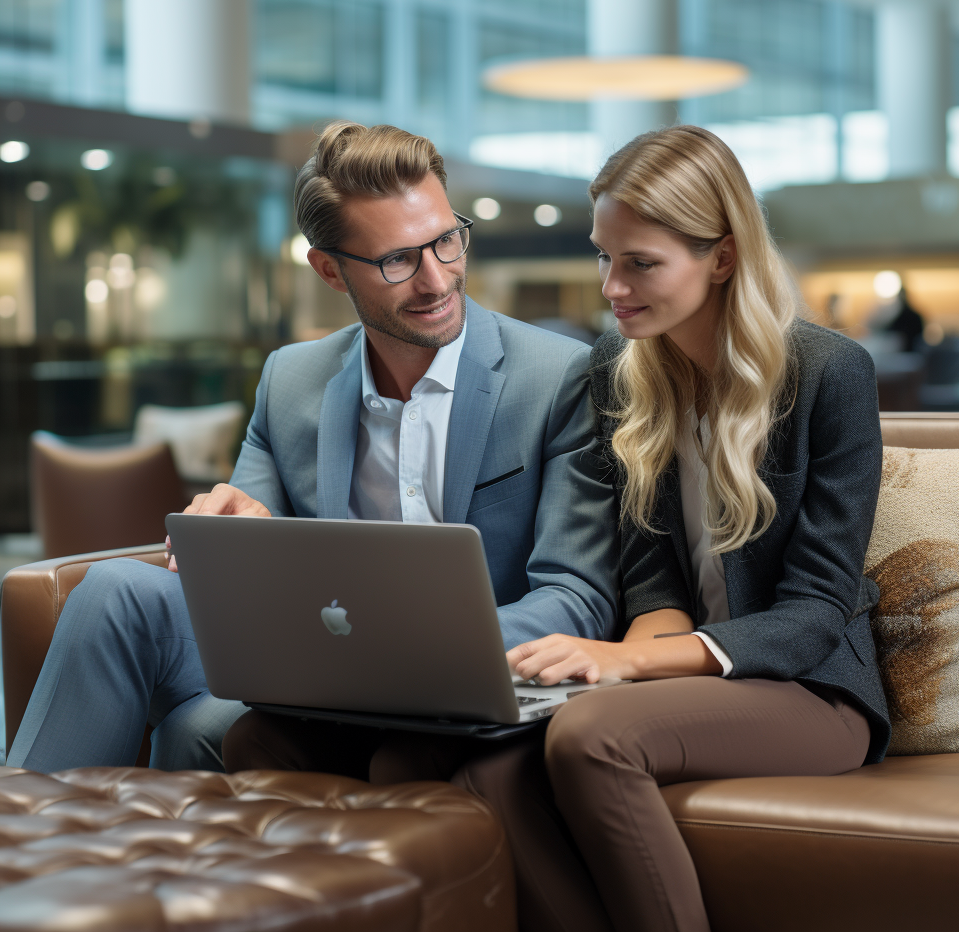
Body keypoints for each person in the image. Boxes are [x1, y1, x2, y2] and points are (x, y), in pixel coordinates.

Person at [6, 122, 619, 775]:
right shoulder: (290, 381)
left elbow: (577, 592)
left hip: (461, 679)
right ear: (328, 269)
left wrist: (423, 644)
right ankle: (30, 849)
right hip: (317, 660)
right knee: (114, 590)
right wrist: (232, 530)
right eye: (396, 260)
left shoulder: (556, 376)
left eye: (446, 241)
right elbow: (249, 549)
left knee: (194, 729)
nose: (437, 280)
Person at [474, 126, 891, 932]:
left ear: (723, 257)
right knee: (489, 758)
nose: (611, 286)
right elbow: (651, 577)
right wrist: (623, 665)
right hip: (688, 672)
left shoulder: (830, 374)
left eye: (640, 262)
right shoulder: (618, 370)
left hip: (810, 690)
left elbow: (813, 613)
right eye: (604, 256)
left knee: (591, 736)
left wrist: (627, 662)